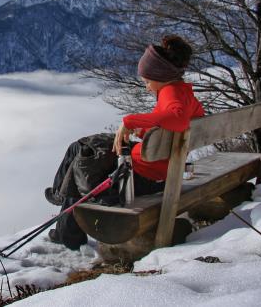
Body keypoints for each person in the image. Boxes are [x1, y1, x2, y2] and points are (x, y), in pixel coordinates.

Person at [45, 35, 205, 249]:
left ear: (162, 76)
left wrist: (130, 121)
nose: (147, 87)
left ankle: (66, 226)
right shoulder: (184, 92)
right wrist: (145, 129)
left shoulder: (170, 93)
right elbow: (178, 124)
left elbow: (177, 119)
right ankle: (61, 201)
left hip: (140, 177)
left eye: (148, 81)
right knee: (82, 147)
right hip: (156, 168)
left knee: (83, 160)